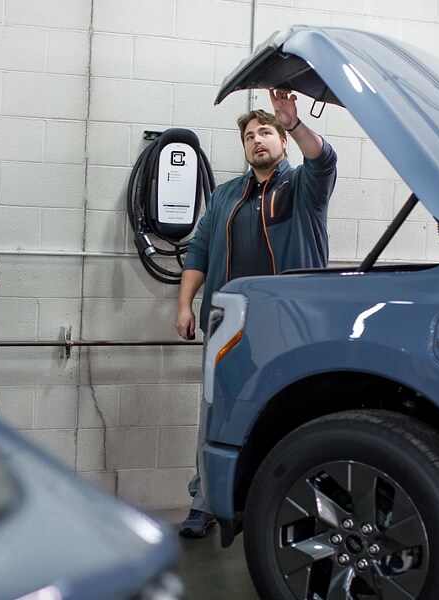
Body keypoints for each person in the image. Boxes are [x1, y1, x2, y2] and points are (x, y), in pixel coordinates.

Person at [174, 89, 339, 538]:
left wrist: (294, 122)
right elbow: (200, 251)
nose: (257, 140)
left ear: (282, 142)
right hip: (228, 326)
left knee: (293, 414)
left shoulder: (304, 186)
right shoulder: (226, 195)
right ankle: (204, 500)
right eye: (250, 136)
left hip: (292, 325)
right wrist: (186, 304)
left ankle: (301, 510)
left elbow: (324, 161)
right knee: (216, 412)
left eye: (266, 132)